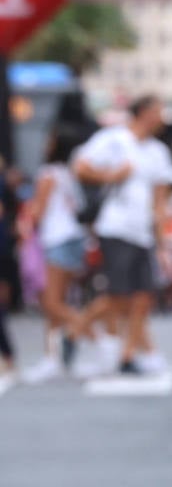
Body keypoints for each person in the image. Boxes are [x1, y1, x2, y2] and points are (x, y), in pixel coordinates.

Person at [72, 94, 172, 376]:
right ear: (144, 112)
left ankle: (128, 355)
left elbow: (160, 201)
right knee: (118, 295)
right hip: (115, 227)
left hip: (143, 232)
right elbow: (80, 167)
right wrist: (112, 176)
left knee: (143, 296)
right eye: (158, 111)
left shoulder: (158, 152)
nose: (162, 118)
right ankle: (75, 330)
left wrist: (162, 242)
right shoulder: (113, 139)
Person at [23, 125, 94, 380]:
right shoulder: (69, 174)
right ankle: (53, 357)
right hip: (74, 238)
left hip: (56, 239)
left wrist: (27, 216)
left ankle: (91, 332)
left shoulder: (48, 174)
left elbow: (38, 212)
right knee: (59, 301)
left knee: (51, 303)